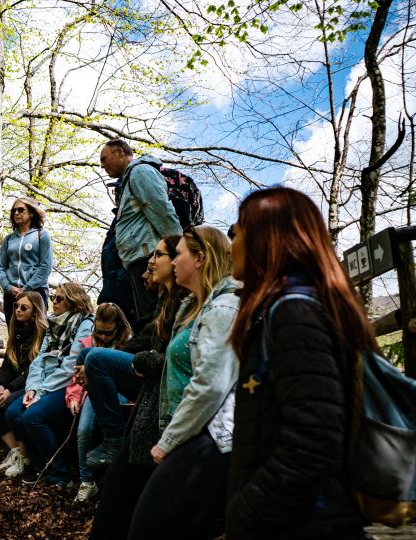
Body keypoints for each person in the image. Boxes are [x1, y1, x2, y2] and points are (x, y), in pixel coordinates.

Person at [226, 187, 370, 539]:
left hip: (307, 523)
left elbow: (314, 443)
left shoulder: (294, 313)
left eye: (239, 231)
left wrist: (246, 512)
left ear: (267, 239)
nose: (231, 244)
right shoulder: (292, 307)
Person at [126, 225, 239, 540]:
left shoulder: (223, 308)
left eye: (177, 254)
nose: (172, 262)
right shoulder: (192, 307)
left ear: (200, 257)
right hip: (190, 434)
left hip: (210, 439)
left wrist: (169, 441)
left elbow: (210, 386)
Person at [88, 235, 188, 540]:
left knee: (95, 358)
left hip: (165, 410)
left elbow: (174, 359)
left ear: (177, 261)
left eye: (158, 255)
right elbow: (143, 342)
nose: (151, 262)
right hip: (148, 403)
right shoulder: (164, 302)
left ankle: (113, 437)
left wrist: (142, 360)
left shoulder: (189, 305)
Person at [5, 282, 95, 487]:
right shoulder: (53, 323)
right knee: (13, 413)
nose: (53, 302)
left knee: (33, 416)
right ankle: (40, 464)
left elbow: (73, 364)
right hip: (44, 384)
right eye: (53, 297)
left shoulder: (85, 324)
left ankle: (60, 473)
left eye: (59, 298)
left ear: (74, 300)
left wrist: (42, 392)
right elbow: (39, 361)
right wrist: (32, 389)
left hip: (67, 384)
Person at [99, 139, 182, 332]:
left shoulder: (140, 172)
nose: (102, 166)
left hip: (149, 260)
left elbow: (162, 211)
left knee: (155, 318)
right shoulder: (129, 179)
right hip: (136, 263)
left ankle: (155, 358)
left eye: (104, 159)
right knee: (145, 319)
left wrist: (177, 250)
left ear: (120, 152)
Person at [0, 291, 48, 477]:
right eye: (16, 306)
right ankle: (15, 451)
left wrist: (10, 389)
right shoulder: (15, 333)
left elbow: (33, 370)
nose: (18, 310)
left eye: (24, 307)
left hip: (34, 385)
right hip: (14, 384)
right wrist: (0, 385)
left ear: (35, 311)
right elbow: (8, 365)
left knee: (10, 403)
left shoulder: (43, 334)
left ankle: (26, 455)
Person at [67, 302, 132, 503]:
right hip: (91, 394)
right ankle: (87, 482)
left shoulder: (130, 343)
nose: (103, 336)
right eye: (99, 331)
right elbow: (76, 375)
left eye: (108, 333)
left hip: (120, 392)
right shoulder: (87, 343)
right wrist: (74, 397)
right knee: (84, 430)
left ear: (119, 327)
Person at [0, 196, 53, 323]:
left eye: (21, 210)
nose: (16, 213)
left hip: (36, 292)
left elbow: (45, 266)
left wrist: (27, 288)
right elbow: (1, 267)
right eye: (14, 210)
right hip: (11, 294)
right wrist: (8, 287)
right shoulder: (8, 239)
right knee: (13, 334)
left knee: (36, 334)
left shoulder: (42, 235)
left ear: (32, 213)